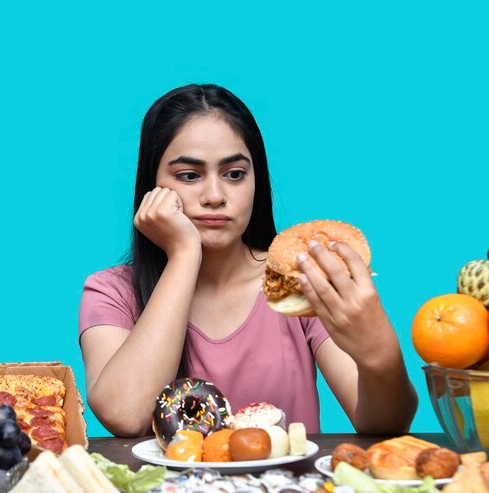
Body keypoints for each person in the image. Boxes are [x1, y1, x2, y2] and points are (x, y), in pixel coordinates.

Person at [79, 84, 418, 437]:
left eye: (235, 174)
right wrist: (183, 254)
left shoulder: (298, 283)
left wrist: (381, 353)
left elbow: (383, 423)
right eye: (189, 176)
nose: (214, 196)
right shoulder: (110, 292)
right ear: (152, 186)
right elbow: (124, 413)